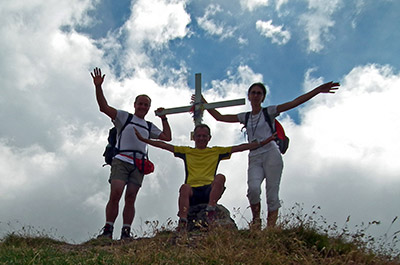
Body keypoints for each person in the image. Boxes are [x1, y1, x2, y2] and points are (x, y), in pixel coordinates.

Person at [203, 81, 340, 228]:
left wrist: (318, 90)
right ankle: (256, 221)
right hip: (254, 155)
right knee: (253, 190)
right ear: (249, 96)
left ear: (263, 97)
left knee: (272, 194)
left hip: (271, 153)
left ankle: (271, 228)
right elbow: (219, 117)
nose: (256, 96)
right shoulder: (246, 117)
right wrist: (202, 101)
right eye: (253, 93)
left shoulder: (269, 111)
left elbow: (295, 102)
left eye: (259, 93)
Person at [134, 123, 276, 231]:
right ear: (194, 137)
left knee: (220, 177)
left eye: (204, 136)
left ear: (209, 138)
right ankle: (183, 221)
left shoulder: (216, 151)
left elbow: (240, 147)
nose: (201, 138)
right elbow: (164, 145)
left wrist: (263, 142)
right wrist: (144, 139)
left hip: (209, 191)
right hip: (192, 192)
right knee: (184, 187)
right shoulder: (186, 151)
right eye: (199, 136)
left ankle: (211, 210)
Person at [91, 67, 172, 240]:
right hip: (121, 159)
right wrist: (98, 87)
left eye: (146, 105)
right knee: (116, 193)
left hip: (139, 164)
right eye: (140, 103)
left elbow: (167, 137)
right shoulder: (124, 117)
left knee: (131, 197)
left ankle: (125, 231)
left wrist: (164, 118)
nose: (143, 107)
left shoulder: (149, 126)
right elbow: (103, 107)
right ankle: (108, 230)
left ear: (149, 107)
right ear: (135, 105)